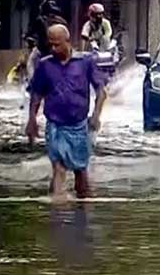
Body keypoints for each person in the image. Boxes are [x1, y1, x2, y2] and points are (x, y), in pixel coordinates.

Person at [26, 24, 108, 199]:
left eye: (57, 44)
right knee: (59, 167)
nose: (54, 49)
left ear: (68, 41)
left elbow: (101, 91)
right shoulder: (45, 65)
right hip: (55, 125)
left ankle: (82, 211)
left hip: (79, 126)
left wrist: (96, 115)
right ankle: (57, 211)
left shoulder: (85, 62)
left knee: (81, 172)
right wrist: (31, 120)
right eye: (51, 45)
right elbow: (36, 95)